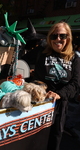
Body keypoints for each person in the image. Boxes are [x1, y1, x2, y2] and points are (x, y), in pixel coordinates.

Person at [33, 22, 80, 150]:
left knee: (55, 139)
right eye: (54, 36)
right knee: (37, 138)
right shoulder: (42, 54)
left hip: (60, 106)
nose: (57, 39)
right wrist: (41, 91)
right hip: (41, 103)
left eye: (62, 36)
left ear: (68, 38)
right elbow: (36, 77)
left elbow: (76, 83)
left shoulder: (74, 58)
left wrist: (59, 94)